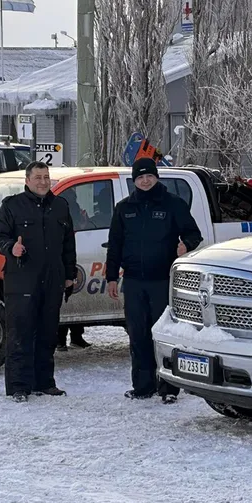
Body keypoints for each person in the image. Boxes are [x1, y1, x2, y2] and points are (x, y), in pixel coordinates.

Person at [106, 157, 202, 402]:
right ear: (134, 180)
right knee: (138, 334)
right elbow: (115, 245)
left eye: (149, 176)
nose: (145, 181)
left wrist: (186, 245)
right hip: (134, 281)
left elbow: (194, 233)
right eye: (140, 177)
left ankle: (169, 388)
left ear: (156, 177)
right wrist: (111, 277)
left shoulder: (173, 204)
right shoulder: (124, 208)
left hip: (163, 281)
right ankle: (143, 386)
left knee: (163, 334)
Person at [0, 161, 76, 402]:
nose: (43, 182)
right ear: (27, 180)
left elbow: (68, 243)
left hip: (52, 280)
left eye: (46, 177)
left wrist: (69, 275)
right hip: (22, 280)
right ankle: (18, 386)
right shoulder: (13, 205)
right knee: (21, 334)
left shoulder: (60, 206)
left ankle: (44, 382)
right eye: (38, 177)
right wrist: (11, 248)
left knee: (48, 333)